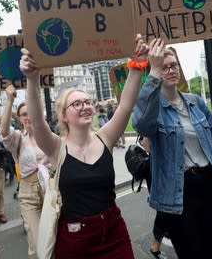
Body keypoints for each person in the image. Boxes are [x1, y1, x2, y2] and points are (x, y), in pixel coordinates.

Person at [20, 34, 149, 258]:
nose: (85, 107)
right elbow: (37, 121)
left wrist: (137, 65)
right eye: (76, 104)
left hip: (113, 232)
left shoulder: (105, 137)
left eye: (88, 102)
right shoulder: (55, 148)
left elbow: (126, 106)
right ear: (63, 116)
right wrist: (32, 79)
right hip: (75, 241)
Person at [132, 39, 212, 259]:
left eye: (174, 65)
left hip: (209, 186)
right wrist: (154, 71)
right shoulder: (155, 108)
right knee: (191, 253)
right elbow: (140, 123)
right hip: (179, 192)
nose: (170, 70)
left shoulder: (196, 102)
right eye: (164, 66)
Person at [0, 84, 50, 259]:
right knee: (38, 242)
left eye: (31, 112)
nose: (28, 117)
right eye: (23, 114)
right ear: (19, 118)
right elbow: (4, 132)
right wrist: (10, 100)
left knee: (54, 240)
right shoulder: (18, 139)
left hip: (52, 192)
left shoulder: (49, 134)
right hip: (29, 195)